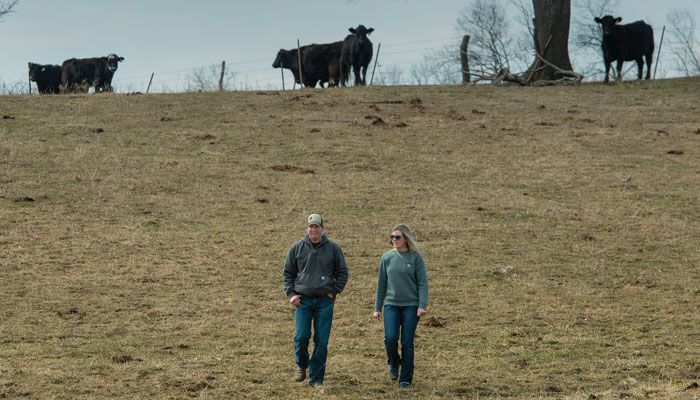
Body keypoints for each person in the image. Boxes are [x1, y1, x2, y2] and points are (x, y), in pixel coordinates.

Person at [283, 213, 349, 388]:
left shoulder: (333, 249)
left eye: (317, 226)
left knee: (321, 341)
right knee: (301, 337)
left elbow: (342, 273)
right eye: (311, 226)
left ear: (322, 229)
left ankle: (317, 379)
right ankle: (301, 364)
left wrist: (333, 292)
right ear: (307, 228)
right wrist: (291, 295)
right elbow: (288, 274)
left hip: (324, 302)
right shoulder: (296, 248)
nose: (314, 229)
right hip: (302, 302)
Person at [373, 224, 429, 389]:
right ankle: (393, 362)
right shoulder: (387, 257)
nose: (394, 240)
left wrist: (422, 305)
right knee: (390, 339)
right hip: (391, 305)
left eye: (397, 237)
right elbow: (381, 284)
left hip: (411, 306)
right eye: (392, 237)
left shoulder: (415, 258)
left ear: (405, 238)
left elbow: (423, 283)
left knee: (407, 342)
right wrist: (377, 308)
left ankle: (405, 378)